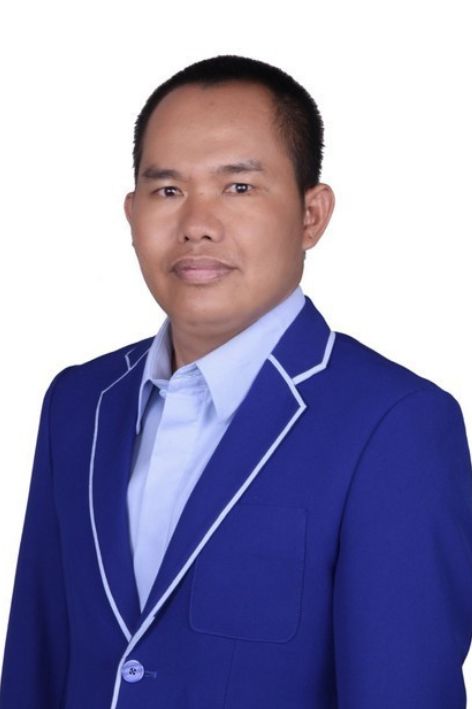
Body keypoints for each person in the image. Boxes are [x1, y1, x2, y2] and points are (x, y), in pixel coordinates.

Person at [1, 54, 471, 709]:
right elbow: (37, 660)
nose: (196, 223)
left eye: (239, 187)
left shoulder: (395, 424)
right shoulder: (80, 402)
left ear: (311, 215)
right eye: (168, 190)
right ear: (132, 213)